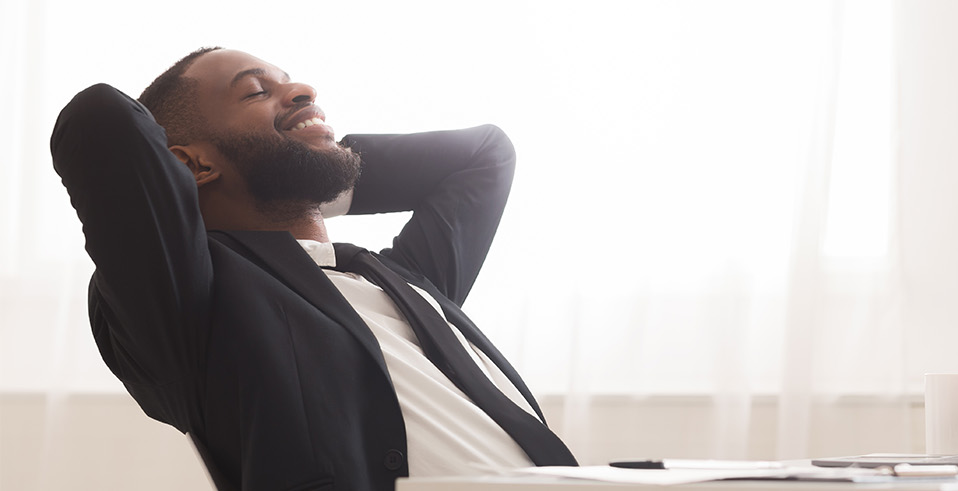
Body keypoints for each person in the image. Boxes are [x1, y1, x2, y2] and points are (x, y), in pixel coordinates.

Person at [51, 47, 576, 491]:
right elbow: (101, 120)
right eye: (256, 91)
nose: (303, 90)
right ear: (190, 165)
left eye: (290, 83)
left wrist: (317, 167)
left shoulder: (408, 281)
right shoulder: (194, 299)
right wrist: (289, 161)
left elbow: (485, 154)